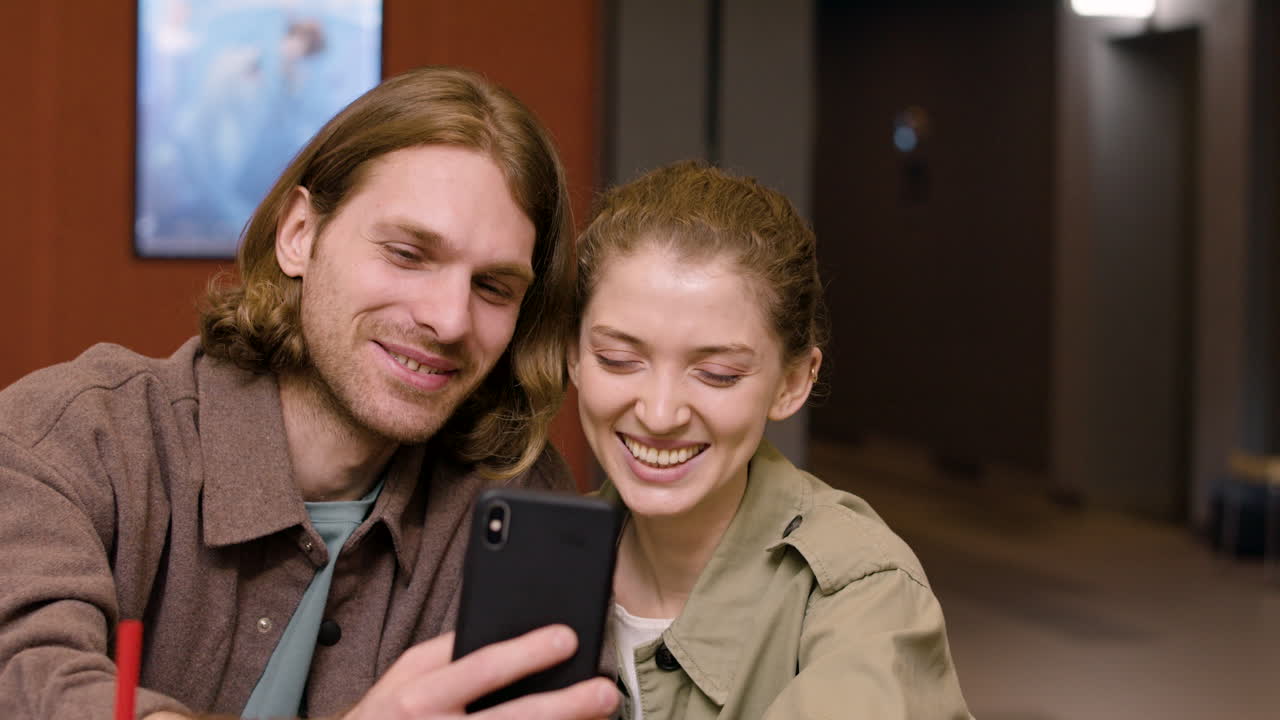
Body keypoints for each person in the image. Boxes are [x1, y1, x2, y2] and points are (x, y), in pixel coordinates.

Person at [0, 67, 618, 720]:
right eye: (408, 254)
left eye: (493, 286)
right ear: (299, 234)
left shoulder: (515, 502)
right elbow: (29, 680)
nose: (449, 319)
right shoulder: (72, 440)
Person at [568, 162, 972, 719]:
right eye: (619, 360)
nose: (659, 413)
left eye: (717, 374)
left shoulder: (863, 593)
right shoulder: (532, 557)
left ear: (792, 382)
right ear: (572, 357)